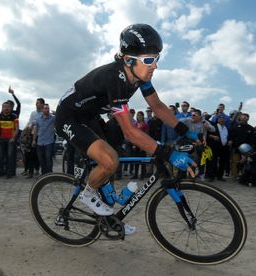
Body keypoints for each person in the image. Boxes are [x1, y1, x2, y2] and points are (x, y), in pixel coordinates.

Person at [55, 24, 197, 226]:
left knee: (109, 168)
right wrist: (168, 153)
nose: (154, 65)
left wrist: (183, 129)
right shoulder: (116, 78)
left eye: (157, 59)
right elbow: (130, 132)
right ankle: (88, 194)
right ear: (128, 60)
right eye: (149, 60)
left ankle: (108, 217)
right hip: (68, 117)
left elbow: (156, 105)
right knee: (110, 160)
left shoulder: (139, 76)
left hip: (90, 117)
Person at [228, 113, 256, 178]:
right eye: (243, 117)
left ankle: (243, 175)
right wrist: (230, 140)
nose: (244, 118)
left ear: (248, 118)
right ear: (240, 118)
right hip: (236, 147)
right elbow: (231, 136)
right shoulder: (235, 126)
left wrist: (250, 148)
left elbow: (252, 140)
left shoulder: (251, 128)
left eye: (246, 117)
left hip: (246, 149)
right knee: (235, 162)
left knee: (245, 162)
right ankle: (235, 175)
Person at [0, 102, 19, 179]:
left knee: (10, 156)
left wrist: (13, 138)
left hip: (10, 139)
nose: (6, 108)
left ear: (10, 108)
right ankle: (0, 171)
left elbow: (17, 128)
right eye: (4, 106)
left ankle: (10, 173)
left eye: (8, 106)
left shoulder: (14, 116)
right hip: (1, 138)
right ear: (2, 107)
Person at [33, 104, 55, 175]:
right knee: (41, 159)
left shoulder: (53, 118)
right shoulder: (38, 119)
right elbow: (36, 129)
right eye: (45, 108)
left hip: (49, 142)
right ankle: (43, 173)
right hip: (40, 141)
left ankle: (49, 173)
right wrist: (33, 140)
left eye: (48, 108)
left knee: (48, 158)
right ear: (42, 110)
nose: (47, 110)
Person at [206, 114, 229, 181]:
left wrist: (230, 140)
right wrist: (213, 136)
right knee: (213, 162)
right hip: (215, 147)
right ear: (217, 120)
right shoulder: (213, 127)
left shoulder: (226, 128)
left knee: (222, 162)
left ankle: (220, 176)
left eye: (223, 118)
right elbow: (207, 135)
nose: (222, 119)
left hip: (224, 147)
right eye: (220, 118)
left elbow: (229, 136)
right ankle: (211, 177)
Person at [132, 111, 149, 179]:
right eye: (138, 115)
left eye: (140, 115)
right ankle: (135, 174)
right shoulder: (134, 124)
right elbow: (132, 135)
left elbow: (146, 136)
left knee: (142, 161)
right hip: (135, 144)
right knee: (136, 161)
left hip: (142, 145)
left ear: (142, 116)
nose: (139, 116)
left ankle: (142, 175)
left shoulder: (145, 125)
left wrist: (143, 145)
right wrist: (133, 144)